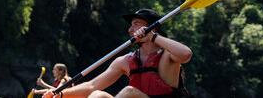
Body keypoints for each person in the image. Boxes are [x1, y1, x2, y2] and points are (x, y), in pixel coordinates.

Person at [42, 9, 192, 98]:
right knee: (97, 95)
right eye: (130, 25)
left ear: (152, 28)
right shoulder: (125, 61)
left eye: (136, 24)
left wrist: (153, 36)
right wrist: (59, 94)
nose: (130, 29)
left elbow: (186, 54)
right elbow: (92, 85)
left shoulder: (168, 55)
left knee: (129, 92)